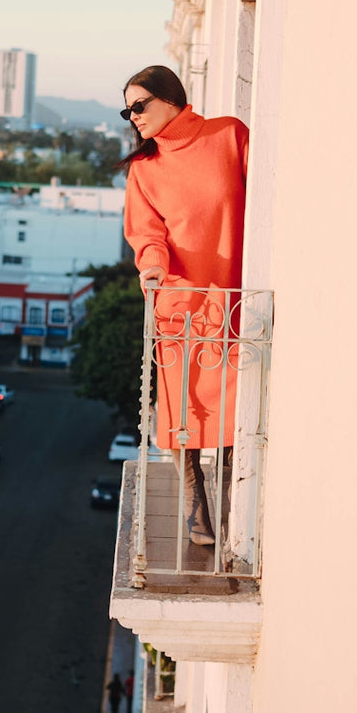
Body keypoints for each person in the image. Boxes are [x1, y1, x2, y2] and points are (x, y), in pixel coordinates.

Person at [121, 64, 249, 548]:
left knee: (238, 408)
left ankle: (239, 508)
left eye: (139, 105)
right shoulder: (145, 168)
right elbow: (147, 233)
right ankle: (199, 509)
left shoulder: (229, 136)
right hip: (178, 302)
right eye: (127, 110)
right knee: (182, 413)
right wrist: (151, 266)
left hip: (234, 297)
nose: (133, 117)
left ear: (171, 99)